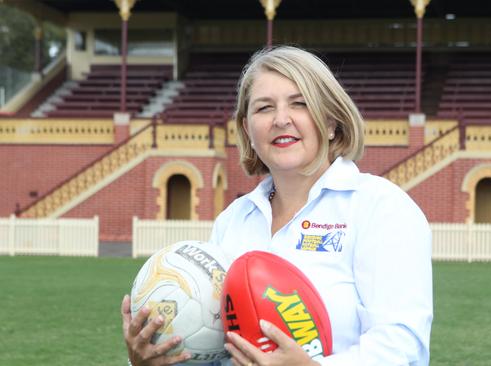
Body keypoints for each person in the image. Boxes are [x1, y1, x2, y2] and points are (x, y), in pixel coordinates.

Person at [121, 46, 433, 366]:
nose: (281, 120)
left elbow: (402, 346)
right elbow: (216, 349)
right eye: (264, 108)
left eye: (299, 104)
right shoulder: (233, 221)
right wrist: (157, 359)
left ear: (330, 121)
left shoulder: (381, 208)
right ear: (247, 130)